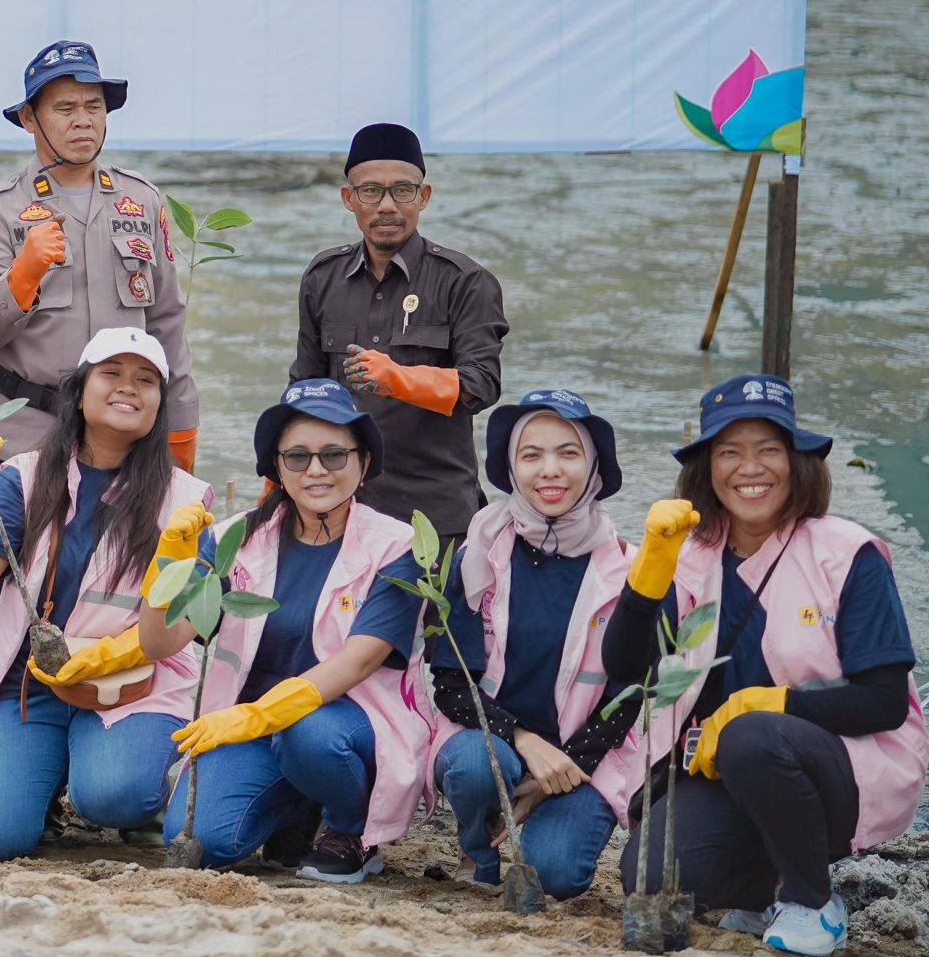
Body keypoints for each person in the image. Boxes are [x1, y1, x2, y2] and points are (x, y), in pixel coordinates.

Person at [606, 376, 926, 957]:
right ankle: (774, 886)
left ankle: (812, 901)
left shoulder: (847, 553)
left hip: (838, 768)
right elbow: (628, 669)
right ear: (707, 468)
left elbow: (883, 702)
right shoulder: (690, 554)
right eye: (729, 451)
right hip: (724, 773)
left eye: (768, 450)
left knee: (753, 735)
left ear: (796, 462)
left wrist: (773, 703)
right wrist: (649, 569)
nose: (749, 468)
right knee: (651, 877)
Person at [0, 327, 215, 861]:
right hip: (30, 682)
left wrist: (115, 648)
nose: (128, 388)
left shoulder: (185, 500)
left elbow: (176, 639)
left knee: (115, 795)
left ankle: (134, 783)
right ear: (80, 389)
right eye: (111, 373)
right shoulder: (23, 477)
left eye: (145, 380)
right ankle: (42, 774)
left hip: (132, 683)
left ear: (161, 403)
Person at [154, 378, 429, 883]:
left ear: (364, 462)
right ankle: (300, 810)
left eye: (334, 455)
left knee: (308, 734)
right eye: (297, 457)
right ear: (277, 467)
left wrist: (258, 716)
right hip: (258, 729)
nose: (316, 470)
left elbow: (359, 660)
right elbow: (161, 642)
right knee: (202, 842)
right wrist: (169, 561)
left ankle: (349, 830)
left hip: (347, 726)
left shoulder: (399, 546)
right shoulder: (232, 539)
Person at [428, 390, 645, 901]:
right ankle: (478, 851)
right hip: (492, 740)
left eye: (568, 453)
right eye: (532, 455)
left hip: (582, 753)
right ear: (510, 467)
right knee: (479, 765)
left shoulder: (630, 569)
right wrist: (524, 740)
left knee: (556, 877)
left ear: (594, 466)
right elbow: (450, 684)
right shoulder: (474, 553)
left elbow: (629, 696)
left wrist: (558, 772)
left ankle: (546, 818)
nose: (550, 470)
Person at [0, 44, 199, 469]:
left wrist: (180, 427)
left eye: (94, 106)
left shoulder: (140, 199)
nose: (83, 120)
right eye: (65, 108)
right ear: (30, 118)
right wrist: (23, 276)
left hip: (126, 438)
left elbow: (166, 322)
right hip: (25, 436)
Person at [290, 121, 508, 545]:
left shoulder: (465, 281)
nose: (386, 205)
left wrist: (399, 379)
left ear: (423, 197)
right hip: (338, 509)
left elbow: (482, 386)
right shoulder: (322, 277)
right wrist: (281, 478)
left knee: (435, 615)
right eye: (370, 191)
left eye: (402, 190)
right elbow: (304, 386)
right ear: (349, 199)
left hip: (434, 515)